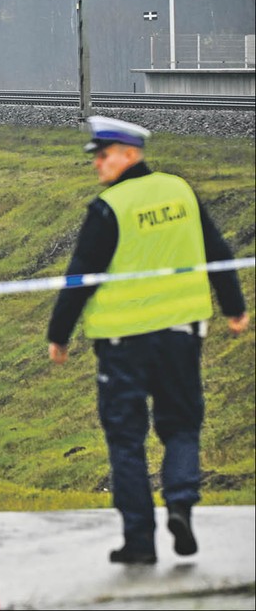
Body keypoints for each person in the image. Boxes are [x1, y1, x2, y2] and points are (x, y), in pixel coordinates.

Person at [47, 115, 249, 566]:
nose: (97, 164)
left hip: (123, 345)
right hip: (182, 335)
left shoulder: (109, 207)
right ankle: (179, 503)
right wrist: (234, 306)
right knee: (180, 425)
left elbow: (81, 276)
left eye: (103, 156)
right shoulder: (180, 191)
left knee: (126, 438)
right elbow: (217, 251)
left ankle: (139, 540)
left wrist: (58, 335)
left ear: (129, 155)